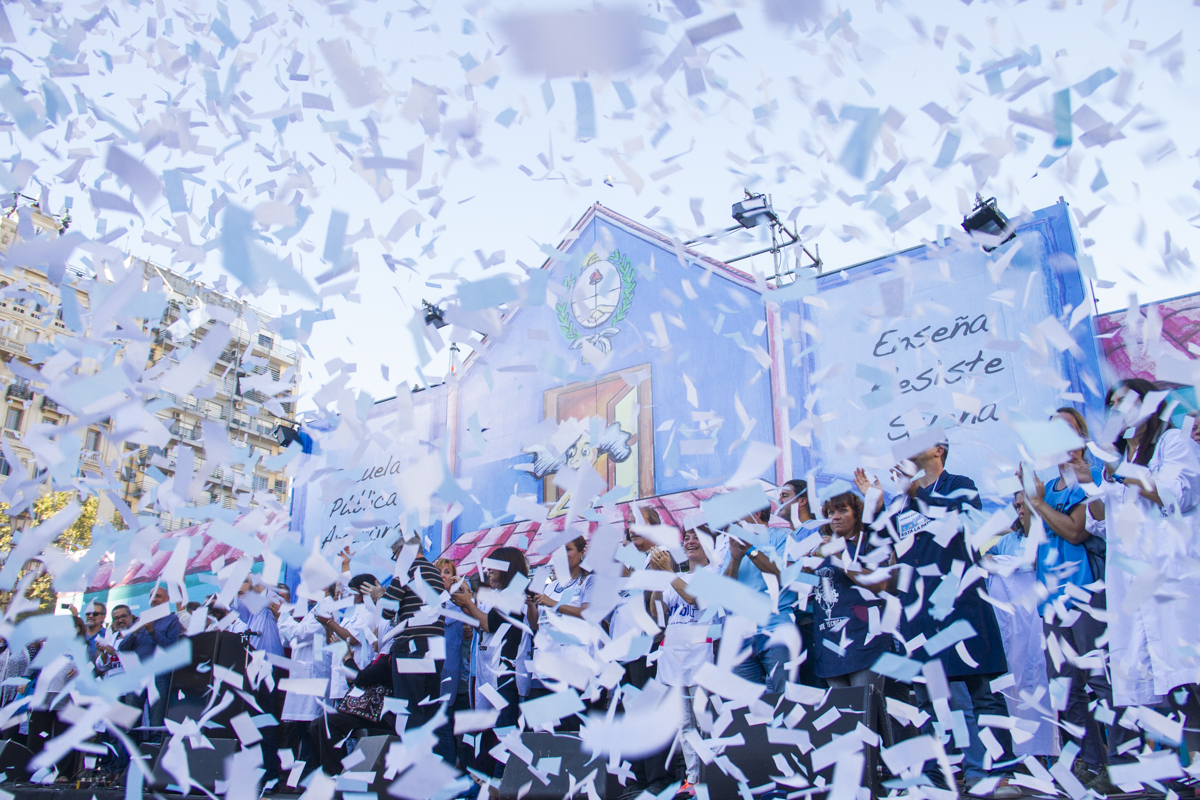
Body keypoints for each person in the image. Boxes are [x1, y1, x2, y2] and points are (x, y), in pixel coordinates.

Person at [857, 438, 1019, 798]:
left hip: (961, 604)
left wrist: (916, 492)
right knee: (930, 700)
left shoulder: (960, 485)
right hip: (919, 611)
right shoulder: (902, 502)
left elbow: (959, 520)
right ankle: (938, 776)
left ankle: (999, 773)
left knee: (982, 691)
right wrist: (875, 506)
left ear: (938, 450)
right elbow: (884, 548)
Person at [1098, 379, 1200, 762]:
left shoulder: (1173, 442)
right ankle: (1190, 771)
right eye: (1113, 404)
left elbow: (1175, 495)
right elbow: (1100, 523)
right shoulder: (1114, 464)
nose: (1119, 410)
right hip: (1135, 585)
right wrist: (1087, 479)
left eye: (1127, 401)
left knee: (1190, 673)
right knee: (1168, 688)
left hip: (1176, 578)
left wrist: (1121, 470)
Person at [1023, 408, 1119, 790]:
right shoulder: (1049, 486)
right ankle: (1091, 764)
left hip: (1086, 594)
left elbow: (1077, 532)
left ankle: (1123, 762)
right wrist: (1030, 499)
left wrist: (1040, 504)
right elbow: (1034, 536)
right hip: (1052, 599)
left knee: (1101, 682)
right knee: (1066, 688)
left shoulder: (1091, 476)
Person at [451, 547, 530, 780]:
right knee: (493, 730)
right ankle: (489, 780)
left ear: (507, 567)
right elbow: (485, 627)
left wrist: (468, 604)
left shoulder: (514, 595)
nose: (488, 572)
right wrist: (466, 604)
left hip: (508, 672)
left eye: (492, 567)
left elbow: (488, 624)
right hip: (494, 672)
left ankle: (501, 782)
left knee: (505, 730)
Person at [804, 491, 894, 688]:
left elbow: (880, 585)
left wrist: (841, 557)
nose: (835, 517)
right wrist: (804, 568)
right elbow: (805, 591)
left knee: (865, 704)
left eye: (843, 511)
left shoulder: (868, 542)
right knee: (841, 707)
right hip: (829, 644)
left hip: (864, 641)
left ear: (857, 514)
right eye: (830, 513)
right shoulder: (821, 547)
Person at [657, 524, 722, 790]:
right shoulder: (678, 576)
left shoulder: (715, 572)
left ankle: (713, 777)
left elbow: (694, 598)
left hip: (701, 657)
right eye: (687, 537)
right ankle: (692, 778)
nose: (690, 541)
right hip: (674, 658)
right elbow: (659, 614)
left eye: (697, 536)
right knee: (684, 724)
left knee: (705, 719)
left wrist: (668, 573)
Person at [363, 532, 446, 731]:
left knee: (409, 711)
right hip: (435, 647)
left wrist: (379, 596)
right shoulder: (435, 572)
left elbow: (387, 611)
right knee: (428, 710)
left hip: (411, 648)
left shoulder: (406, 569)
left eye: (395, 555)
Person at [526, 535, 597, 729]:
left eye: (568, 549)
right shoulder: (549, 587)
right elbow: (535, 625)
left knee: (570, 730)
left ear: (582, 553)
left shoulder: (589, 581)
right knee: (541, 731)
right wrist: (531, 605)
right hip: (545, 668)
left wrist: (553, 604)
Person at [724, 507, 797, 693]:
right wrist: (734, 560)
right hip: (741, 635)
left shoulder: (782, 537)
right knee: (744, 704)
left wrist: (750, 549)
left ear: (756, 513)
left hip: (775, 629)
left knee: (786, 698)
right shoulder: (732, 543)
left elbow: (784, 576)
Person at [118, 586, 182, 743]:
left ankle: (154, 755)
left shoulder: (172, 620)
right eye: (152, 596)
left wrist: (153, 631)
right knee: (130, 723)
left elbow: (172, 648)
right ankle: (130, 756)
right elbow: (122, 649)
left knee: (156, 723)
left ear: (167, 599)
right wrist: (134, 632)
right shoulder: (140, 620)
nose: (154, 599)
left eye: (158, 596)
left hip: (159, 676)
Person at [433, 558, 472, 767]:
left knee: (447, 726)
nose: (442, 576)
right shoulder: (425, 604)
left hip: (455, 676)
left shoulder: (459, 605)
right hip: (432, 674)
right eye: (438, 571)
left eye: (447, 572)